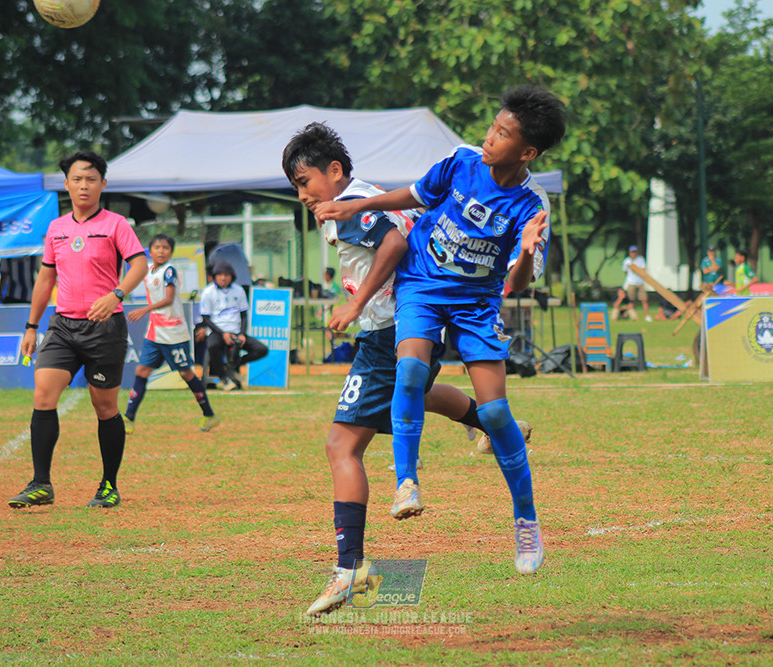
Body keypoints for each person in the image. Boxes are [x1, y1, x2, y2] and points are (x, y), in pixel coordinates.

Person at [314, 85, 564, 578]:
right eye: (493, 126)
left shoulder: (531, 205)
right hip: (423, 284)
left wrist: (527, 250)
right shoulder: (462, 160)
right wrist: (354, 207)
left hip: (476, 302)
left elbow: (517, 282)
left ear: (527, 152)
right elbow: (413, 194)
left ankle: (526, 521)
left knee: (495, 412)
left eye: (503, 134)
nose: (490, 136)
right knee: (410, 371)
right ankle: (406, 483)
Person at [283, 121, 531, 616]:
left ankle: (350, 569)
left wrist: (356, 305)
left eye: (305, 181)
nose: (303, 194)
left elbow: (394, 244)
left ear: (335, 170)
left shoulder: (352, 204)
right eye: (296, 186)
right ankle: (490, 424)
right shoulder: (358, 196)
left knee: (341, 446)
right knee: (415, 391)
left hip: (390, 328)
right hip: (410, 322)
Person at [8, 150, 148, 510]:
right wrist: (31, 326)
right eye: (77, 179)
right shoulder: (56, 229)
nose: (84, 185)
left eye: (91, 179)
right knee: (43, 395)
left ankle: (109, 486)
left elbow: (139, 264)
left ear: (103, 184)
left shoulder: (116, 224)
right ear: (66, 184)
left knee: (105, 406)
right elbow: (45, 279)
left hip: (105, 328)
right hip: (62, 327)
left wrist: (116, 294)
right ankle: (41, 484)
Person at [123, 233, 216, 435]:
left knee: (186, 374)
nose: (161, 251)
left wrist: (144, 309)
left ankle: (209, 414)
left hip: (174, 332)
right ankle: (128, 418)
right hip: (154, 332)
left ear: (171, 252)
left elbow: (168, 299)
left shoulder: (169, 271)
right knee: (141, 371)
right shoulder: (148, 270)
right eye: (157, 247)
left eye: (165, 248)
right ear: (150, 250)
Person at [195, 259, 268, 390]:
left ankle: (234, 365)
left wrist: (242, 334)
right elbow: (206, 318)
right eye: (219, 275)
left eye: (226, 275)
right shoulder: (208, 292)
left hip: (236, 330)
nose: (223, 278)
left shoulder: (238, 290)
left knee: (261, 349)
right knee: (212, 346)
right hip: (217, 331)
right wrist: (223, 334)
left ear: (232, 276)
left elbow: (244, 315)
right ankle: (224, 378)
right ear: (214, 276)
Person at [622, 245, 652, 321]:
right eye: (632, 252)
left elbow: (643, 270)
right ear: (629, 253)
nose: (633, 254)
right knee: (631, 300)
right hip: (631, 283)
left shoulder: (640, 260)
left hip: (640, 282)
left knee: (644, 299)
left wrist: (637, 270)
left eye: (635, 252)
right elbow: (625, 271)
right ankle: (633, 316)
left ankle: (647, 315)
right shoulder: (626, 261)